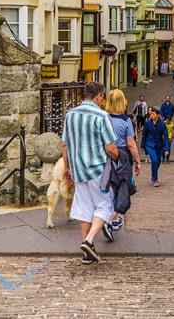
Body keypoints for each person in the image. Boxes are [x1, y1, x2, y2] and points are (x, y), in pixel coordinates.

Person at [62, 81, 119, 264]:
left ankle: (88, 252)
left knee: (85, 208)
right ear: (98, 96)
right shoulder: (102, 116)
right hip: (98, 169)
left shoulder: (70, 115)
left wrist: (67, 167)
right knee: (105, 205)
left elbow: (65, 144)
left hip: (78, 169)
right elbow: (110, 147)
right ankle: (88, 240)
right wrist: (120, 158)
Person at [104, 89, 142, 239]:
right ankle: (111, 218)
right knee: (121, 187)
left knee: (107, 187)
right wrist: (138, 161)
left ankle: (107, 216)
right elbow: (131, 143)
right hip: (122, 156)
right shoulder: (126, 121)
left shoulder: (104, 118)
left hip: (105, 154)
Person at [141, 107, 169, 187]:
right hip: (149, 144)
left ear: (158, 115)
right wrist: (143, 145)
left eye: (153, 114)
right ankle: (156, 179)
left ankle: (153, 176)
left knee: (157, 162)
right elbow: (144, 134)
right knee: (154, 160)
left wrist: (167, 149)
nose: (151, 115)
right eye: (150, 114)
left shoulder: (163, 124)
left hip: (159, 145)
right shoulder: (147, 123)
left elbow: (166, 137)